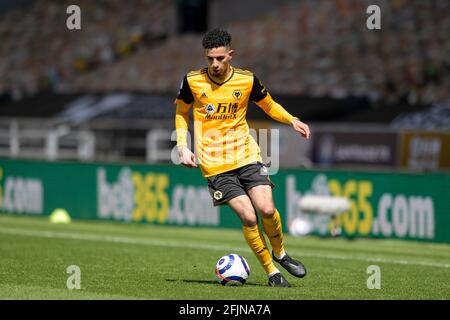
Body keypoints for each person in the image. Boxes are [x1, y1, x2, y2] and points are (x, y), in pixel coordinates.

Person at [174, 28, 310, 287]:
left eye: (220, 58)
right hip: (215, 165)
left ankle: (280, 253)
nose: (214, 64)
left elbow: (268, 104)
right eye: (210, 59)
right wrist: (182, 145)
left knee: (268, 209)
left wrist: (291, 119)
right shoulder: (192, 81)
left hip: (246, 154)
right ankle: (272, 273)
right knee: (249, 217)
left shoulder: (246, 80)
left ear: (230, 55)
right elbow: (182, 112)